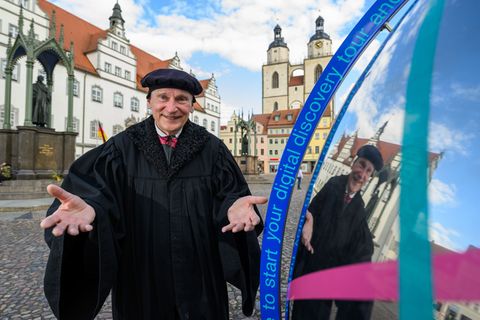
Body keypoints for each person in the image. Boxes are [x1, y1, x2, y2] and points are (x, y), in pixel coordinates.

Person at [40, 68, 268, 320]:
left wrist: (233, 206)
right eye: (163, 98)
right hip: (139, 274)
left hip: (200, 274)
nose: (171, 108)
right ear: (149, 101)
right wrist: (92, 208)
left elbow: (231, 195)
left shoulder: (212, 149)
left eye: (181, 99)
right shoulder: (122, 147)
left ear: (192, 105)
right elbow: (98, 191)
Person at [292, 144, 383, 320]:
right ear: (353, 163)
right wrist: (308, 220)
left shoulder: (359, 210)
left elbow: (362, 252)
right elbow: (310, 210)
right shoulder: (333, 184)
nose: (362, 174)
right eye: (361, 165)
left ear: (370, 177)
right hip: (309, 271)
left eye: (368, 171)